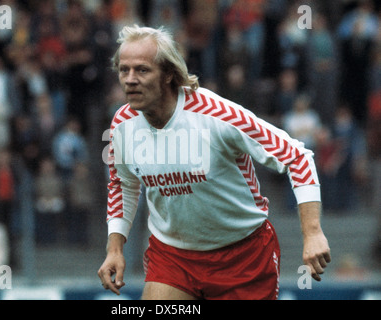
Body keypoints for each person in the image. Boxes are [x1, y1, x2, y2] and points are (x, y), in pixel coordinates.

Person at [97, 25, 331, 300]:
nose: (130, 79)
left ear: (169, 74)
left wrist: (313, 233)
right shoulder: (122, 124)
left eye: (142, 70)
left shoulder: (216, 116)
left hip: (243, 257)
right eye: (124, 70)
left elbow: (297, 157)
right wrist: (114, 249)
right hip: (173, 256)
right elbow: (122, 184)